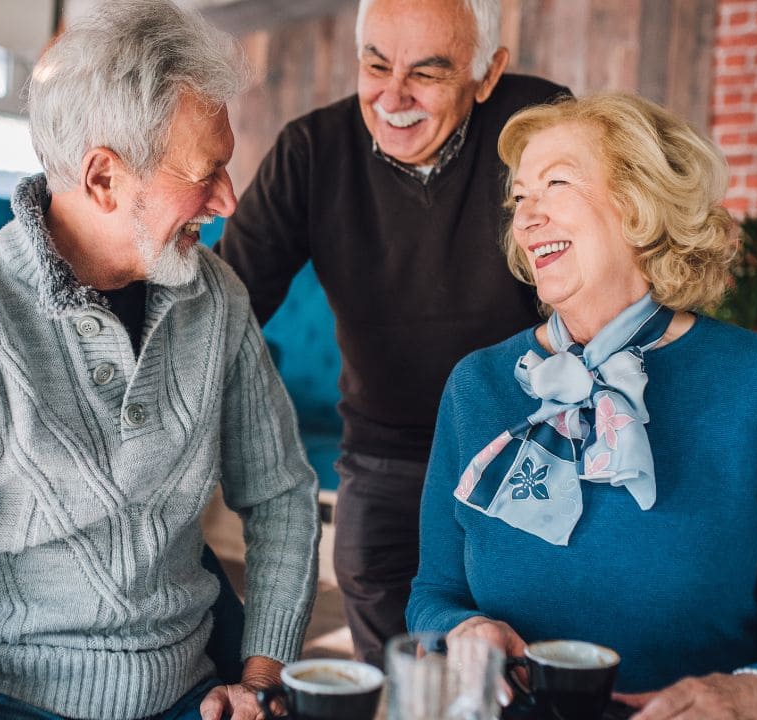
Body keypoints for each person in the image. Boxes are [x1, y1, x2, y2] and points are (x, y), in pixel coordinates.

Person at [0, 2, 320, 719]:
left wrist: (261, 680)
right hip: (2, 697)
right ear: (103, 178)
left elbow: (282, 495)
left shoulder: (217, 298)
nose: (228, 198)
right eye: (208, 172)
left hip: (192, 689)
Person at [406, 93, 757, 720]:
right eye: (519, 198)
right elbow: (436, 591)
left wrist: (753, 692)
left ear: (640, 202)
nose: (526, 216)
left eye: (556, 184)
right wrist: (463, 629)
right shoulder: (477, 385)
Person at [215, 0, 567, 666]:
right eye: (376, 65)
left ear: (486, 74)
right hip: (383, 451)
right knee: (397, 663)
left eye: (428, 74)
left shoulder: (540, 128)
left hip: (520, 442)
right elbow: (228, 301)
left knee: (512, 658)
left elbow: (587, 278)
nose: (393, 96)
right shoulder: (312, 151)